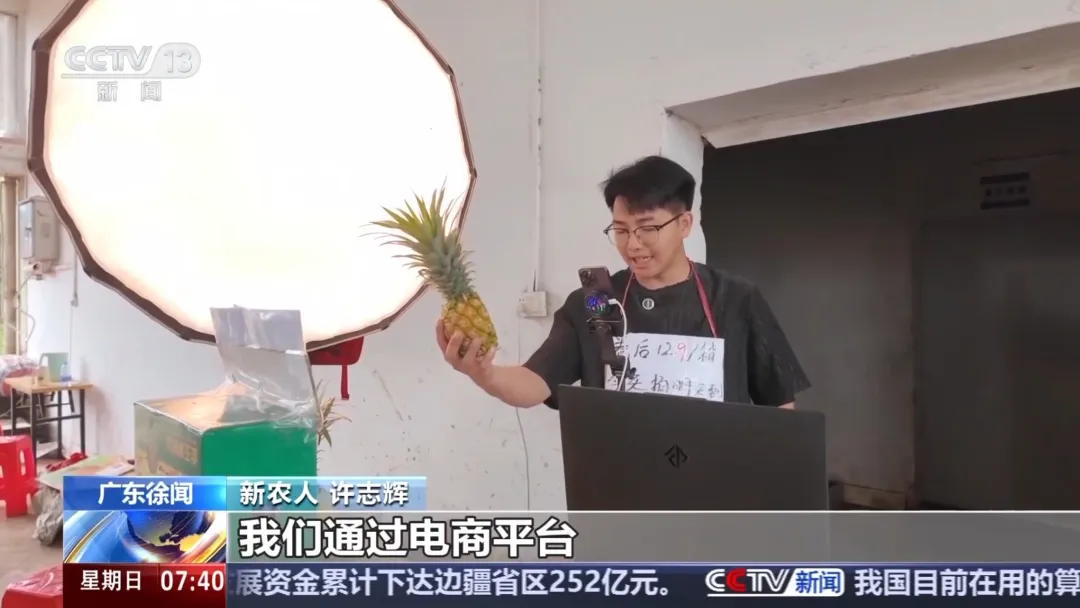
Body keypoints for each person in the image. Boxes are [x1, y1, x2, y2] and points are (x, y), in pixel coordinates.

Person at [436, 155, 810, 409]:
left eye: (647, 229)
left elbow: (780, 406)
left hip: (718, 489)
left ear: (684, 224)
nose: (633, 245)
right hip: (619, 485)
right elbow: (535, 383)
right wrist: (484, 374)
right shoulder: (596, 301)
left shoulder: (736, 299)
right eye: (621, 230)